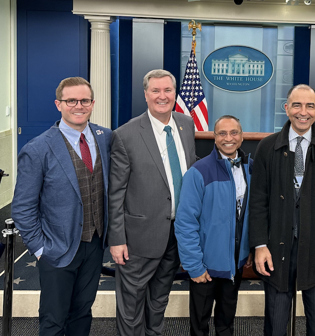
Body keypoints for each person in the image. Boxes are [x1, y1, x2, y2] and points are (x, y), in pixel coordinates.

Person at [11, 77, 112, 335]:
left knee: (82, 312)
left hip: (95, 244)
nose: (79, 106)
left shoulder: (106, 138)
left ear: (92, 103)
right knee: (54, 319)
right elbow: (22, 208)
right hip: (56, 248)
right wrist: (40, 248)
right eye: (71, 101)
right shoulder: (38, 149)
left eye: (85, 100)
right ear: (59, 104)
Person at [249, 84, 315, 336]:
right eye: (296, 105)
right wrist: (260, 245)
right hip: (275, 249)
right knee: (276, 323)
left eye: (309, 106)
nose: (303, 112)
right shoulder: (267, 147)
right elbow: (258, 201)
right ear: (286, 108)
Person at [108, 69, 196, 336]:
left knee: (159, 299)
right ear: (145, 95)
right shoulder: (125, 134)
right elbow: (115, 193)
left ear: (175, 93)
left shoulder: (186, 124)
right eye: (155, 91)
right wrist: (116, 239)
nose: (162, 96)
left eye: (167, 90)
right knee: (131, 304)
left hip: (176, 233)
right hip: (138, 237)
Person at [175, 115, 253, 336]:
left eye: (234, 132)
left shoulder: (251, 169)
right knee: (199, 325)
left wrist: (247, 249)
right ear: (214, 137)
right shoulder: (198, 172)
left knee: (226, 323)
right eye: (222, 133)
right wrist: (194, 265)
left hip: (235, 264)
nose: (229, 138)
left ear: (242, 136)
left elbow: (252, 215)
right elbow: (185, 223)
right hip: (205, 265)